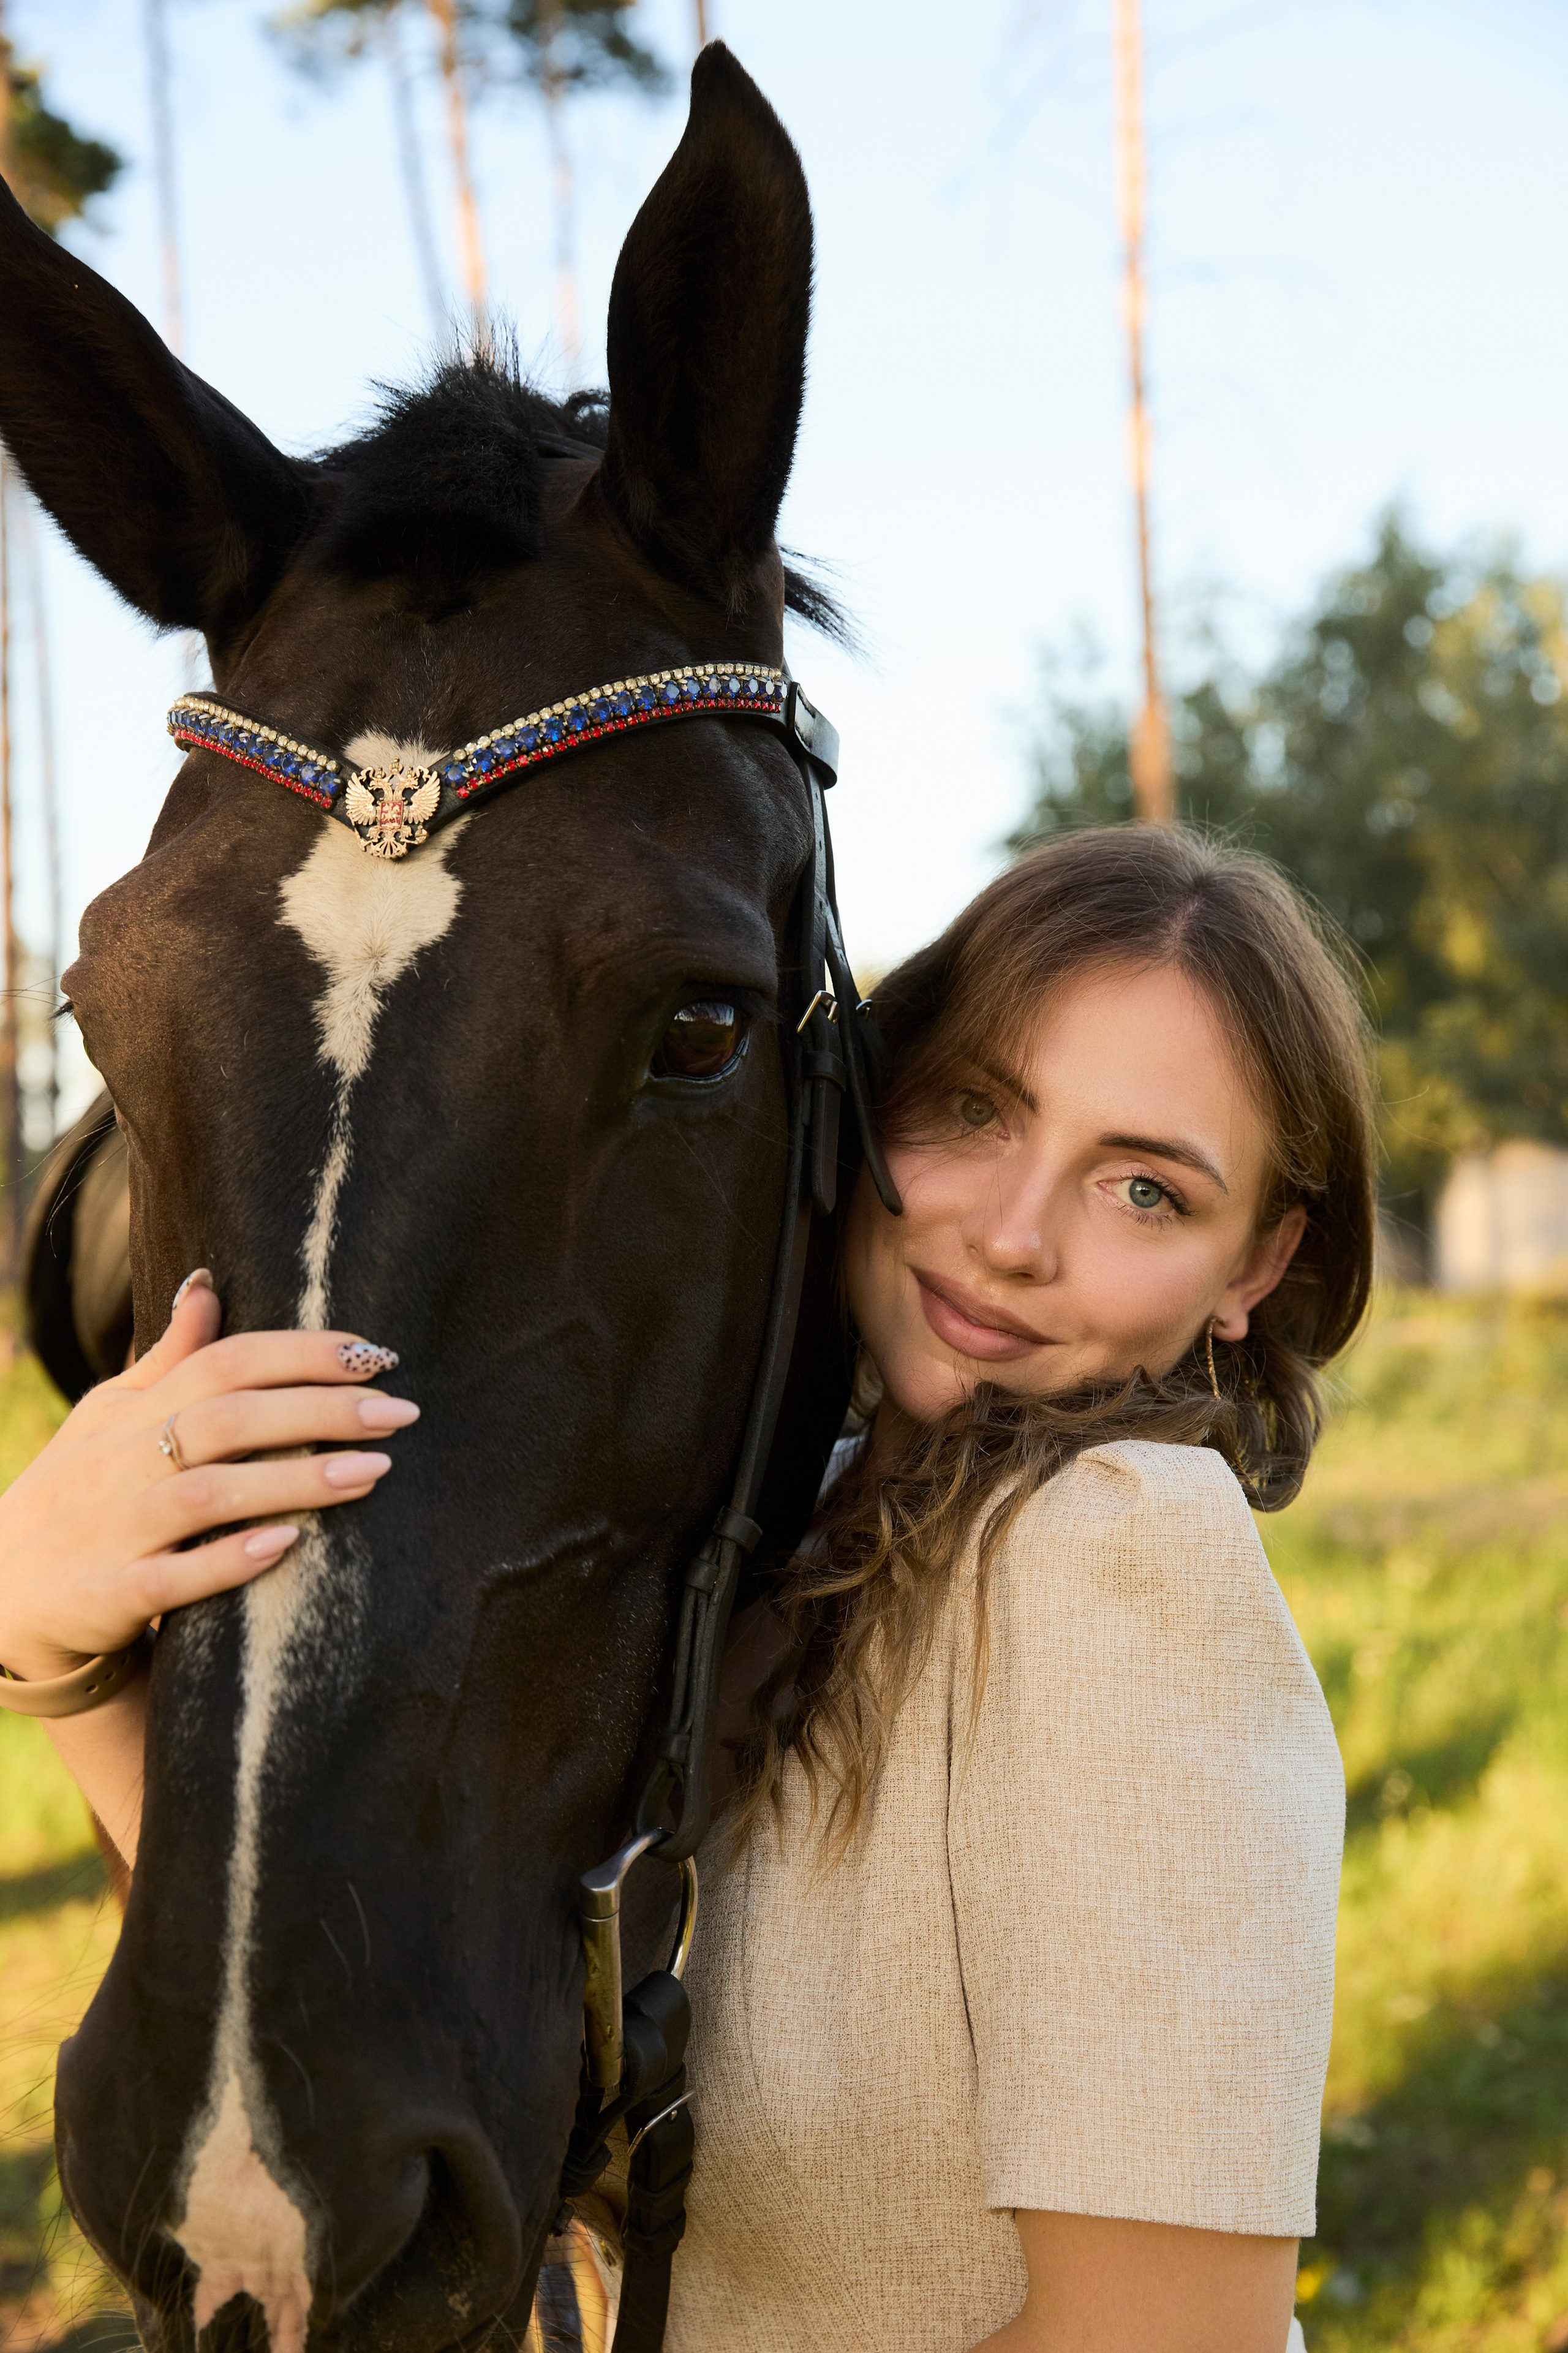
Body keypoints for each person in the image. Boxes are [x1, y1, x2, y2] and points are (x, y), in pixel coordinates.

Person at [0, 825, 1370, 2353]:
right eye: (977, 1109)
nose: (1008, 1234)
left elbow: (1165, 2339)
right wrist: (58, 1646)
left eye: (1142, 1191)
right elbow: (386, 1982)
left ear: (1256, 1265)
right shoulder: (807, 1526)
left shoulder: (1114, 1556)